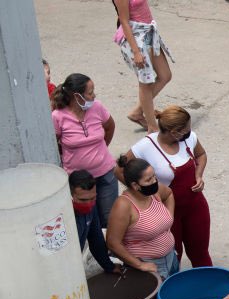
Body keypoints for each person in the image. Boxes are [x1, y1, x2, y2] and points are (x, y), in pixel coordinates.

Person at [121, 105, 211, 268]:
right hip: (167, 211)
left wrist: (198, 174)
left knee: (200, 253)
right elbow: (120, 169)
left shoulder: (189, 139)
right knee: (173, 255)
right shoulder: (146, 146)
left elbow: (201, 155)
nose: (189, 133)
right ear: (174, 132)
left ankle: (208, 287)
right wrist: (142, 194)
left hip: (195, 206)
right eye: (185, 130)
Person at [52, 73, 118, 230]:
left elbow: (109, 126)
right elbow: (54, 143)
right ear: (76, 96)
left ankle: (109, 251)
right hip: (79, 182)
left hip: (105, 174)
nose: (93, 96)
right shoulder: (57, 116)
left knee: (110, 220)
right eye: (90, 92)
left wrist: (101, 150)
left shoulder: (97, 107)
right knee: (85, 222)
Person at [107, 157, 178, 279]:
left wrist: (168, 217)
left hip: (171, 257)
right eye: (148, 180)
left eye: (154, 176)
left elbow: (169, 194)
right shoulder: (123, 206)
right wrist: (139, 265)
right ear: (135, 185)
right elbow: (113, 243)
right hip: (150, 265)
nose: (154, 181)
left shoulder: (155, 191)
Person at [113, 0, 173, 133]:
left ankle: (138, 111)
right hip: (136, 39)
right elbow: (124, 21)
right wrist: (136, 52)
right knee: (145, 83)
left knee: (165, 75)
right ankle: (152, 128)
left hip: (149, 33)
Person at [69, 170, 119, 274]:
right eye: (82, 200)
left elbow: (96, 239)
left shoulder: (91, 208)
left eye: (93, 198)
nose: (89, 204)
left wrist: (109, 266)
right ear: (70, 195)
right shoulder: (62, 217)